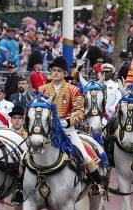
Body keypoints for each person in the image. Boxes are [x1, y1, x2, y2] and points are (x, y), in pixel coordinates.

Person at [38, 56, 100, 185]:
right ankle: (20, 188)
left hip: (67, 130)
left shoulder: (74, 90)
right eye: (53, 70)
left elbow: (80, 111)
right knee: (25, 155)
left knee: (85, 156)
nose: (55, 73)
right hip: (46, 131)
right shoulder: (42, 89)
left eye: (58, 71)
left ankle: (97, 185)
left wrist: (67, 122)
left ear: (65, 73)